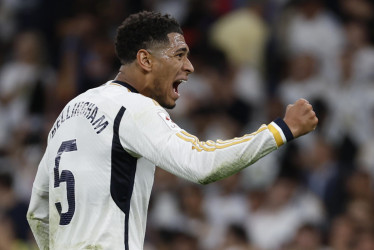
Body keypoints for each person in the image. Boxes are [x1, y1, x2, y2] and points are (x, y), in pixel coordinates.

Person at [27, 11, 318, 250]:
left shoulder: (70, 111)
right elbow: (200, 164)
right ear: (145, 60)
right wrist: (281, 130)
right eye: (179, 55)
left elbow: (38, 211)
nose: (189, 66)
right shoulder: (133, 107)